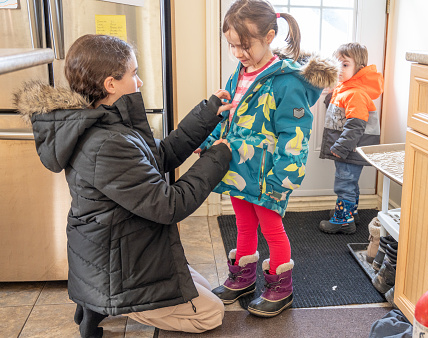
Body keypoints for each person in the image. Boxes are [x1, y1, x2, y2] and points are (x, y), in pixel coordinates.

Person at [14, 34, 233, 337]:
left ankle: (105, 302)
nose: (140, 81)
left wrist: (207, 115)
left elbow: (161, 155)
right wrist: (218, 158)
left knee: (203, 286)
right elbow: (169, 205)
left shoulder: (105, 122)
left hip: (122, 248)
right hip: (119, 267)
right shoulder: (106, 143)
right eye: (134, 73)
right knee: (211, 314)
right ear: (111, 84)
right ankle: (120, 304)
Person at [196, 0, 338, 318]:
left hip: (269, 174)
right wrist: (207, 141)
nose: (238, 53)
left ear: (270, 36)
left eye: (244, 46)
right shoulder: (241, 73)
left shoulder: (287, 82)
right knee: (244, 224)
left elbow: (295, 135)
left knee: (272, 229)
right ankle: (243, 279)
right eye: (233, 46)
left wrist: (282, 177)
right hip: (238, 169)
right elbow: (228, 116)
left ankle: (280, 288)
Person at [318, 42, 384, 235]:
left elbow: (356, 125)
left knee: (344, 183)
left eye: (345, 65)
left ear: (359, 69)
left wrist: (341, 147)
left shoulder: (355, 93)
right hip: (350, 148)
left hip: (349, 148)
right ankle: (350, 211)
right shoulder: (345, 89)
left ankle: (343, 220)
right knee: (350, 182)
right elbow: (337, 113)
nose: (339, 68)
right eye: (336, 63)